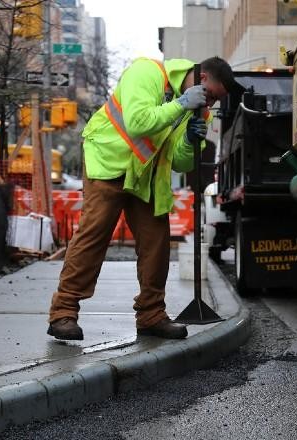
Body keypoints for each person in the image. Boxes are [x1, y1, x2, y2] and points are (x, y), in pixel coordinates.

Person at [47, 56, 242, 341]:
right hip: (109, 163)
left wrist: (190, 141)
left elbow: (181, 163)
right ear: (202, 80)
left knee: (156, 244)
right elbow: (138, 123)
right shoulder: (147, 72)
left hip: (146, 175)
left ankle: (151, 315)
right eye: (211, 96)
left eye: (215, 101)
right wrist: (180, 105)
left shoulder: (198, 110)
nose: (210, 105)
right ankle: (63, 312)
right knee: (94, 235)